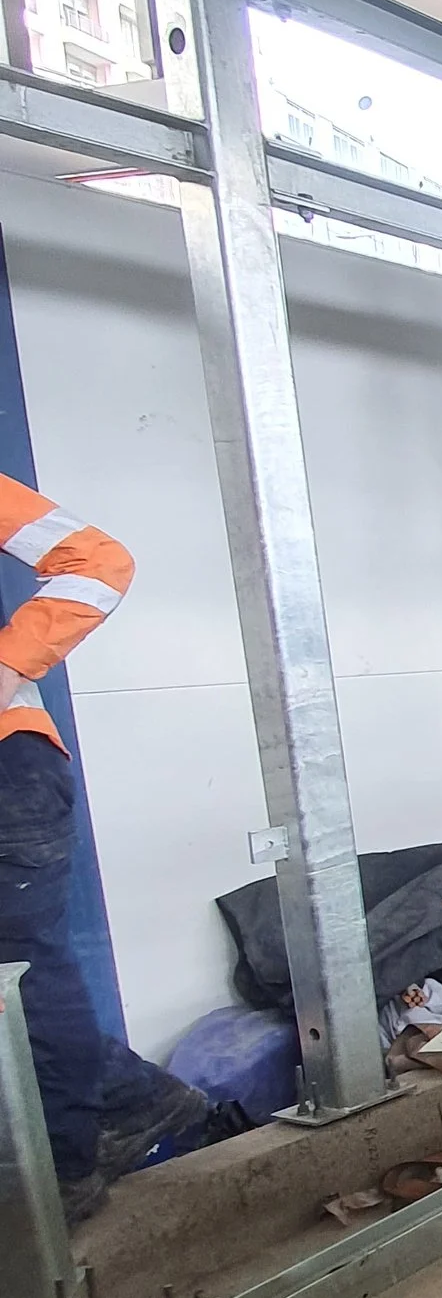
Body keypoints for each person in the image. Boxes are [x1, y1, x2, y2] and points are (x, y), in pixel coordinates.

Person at [1, 472, 205, 1221]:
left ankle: (65, 1168)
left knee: (19, 971)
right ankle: (132, 1096)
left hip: (6, 768)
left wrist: (9, 664)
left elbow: (97, 558)